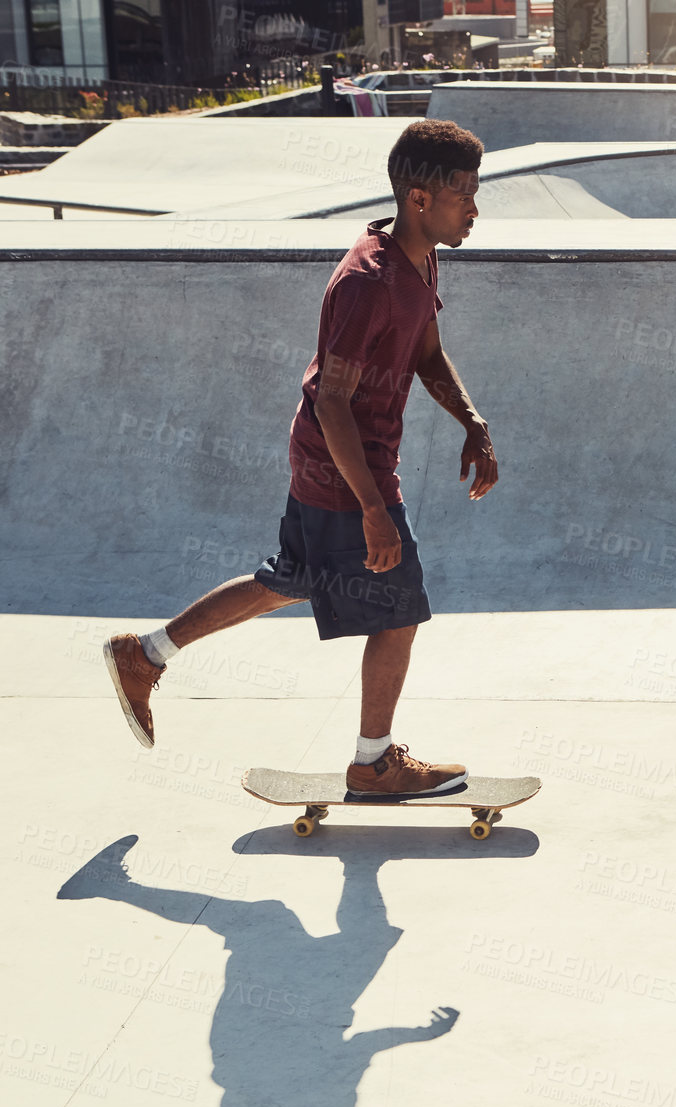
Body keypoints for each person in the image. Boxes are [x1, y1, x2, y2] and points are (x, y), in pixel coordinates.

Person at [102, 120, 495, 797]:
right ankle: (373, 765)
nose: (475, 208)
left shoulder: (420, 258)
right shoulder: (365, 282)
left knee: (291, 578)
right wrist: (373, 509)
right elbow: (331, 403)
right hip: (343, 467)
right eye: (464, 194)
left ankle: (145, 655)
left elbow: (427, 353)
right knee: (398, 609)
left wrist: (473, 422)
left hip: (343, 462)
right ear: (420, 198)